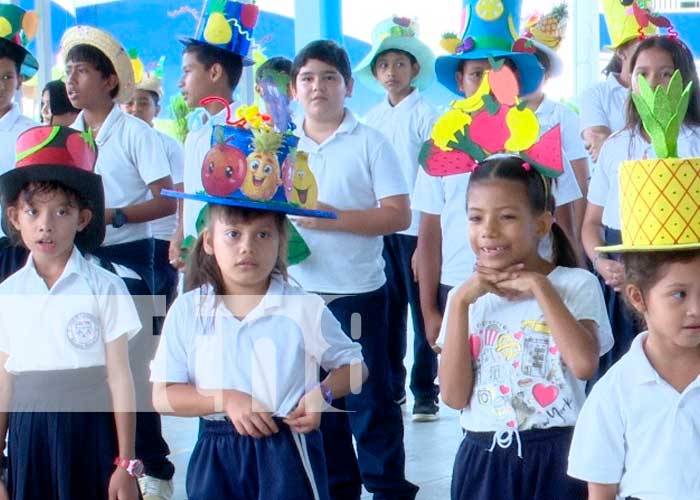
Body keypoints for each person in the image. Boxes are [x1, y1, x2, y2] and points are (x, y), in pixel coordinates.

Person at [150, 123, 366, 500]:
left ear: (282, 242)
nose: (247, 247)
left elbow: (355, 365)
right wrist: (226, 399)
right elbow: (164, 395)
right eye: (233, 234)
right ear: (210, 242)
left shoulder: (302, 305)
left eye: (263, 235)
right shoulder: (188, 309)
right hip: (216, 452)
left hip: (285, 449)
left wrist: (322, 395)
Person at [437, 155, 613, 500]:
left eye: (507, 217)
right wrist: (458, 304)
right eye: (476, 217)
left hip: (559, 455)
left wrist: (539, 287)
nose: (488, 230)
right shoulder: (465, 299)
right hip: (483, 458)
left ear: (542, 224)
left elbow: (584, 364)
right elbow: (454, 396)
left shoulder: (576, 284)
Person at [290, 39, 418, 499]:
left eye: (328, 78)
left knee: (369, 399)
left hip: (358, 293)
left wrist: (331, 217)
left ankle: (387, 488)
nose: (317, 87)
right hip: (299, 297)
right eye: (307, 78)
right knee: (318, 401)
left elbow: (398, 216)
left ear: (346, 87)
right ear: (294, 88)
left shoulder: (370, 142)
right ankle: (336, 488)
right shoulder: (282, 145)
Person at [60, 25, 177, 498]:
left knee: (133, 365)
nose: (72, 81)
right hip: (81, 258)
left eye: (82, 71)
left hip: (133, 258)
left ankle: (155, 466)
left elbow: (166, 199)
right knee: (90, 362)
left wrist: (115, 215)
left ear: (109, 81)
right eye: (68, 71)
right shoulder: (67, 135)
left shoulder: (135, 134)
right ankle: (105, 459)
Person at [0, 126, 142, 500]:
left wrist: (125, 463)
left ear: (82, 219)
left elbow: (121, 378)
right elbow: (3, 382)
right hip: (29, 433)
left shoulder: (105, 286)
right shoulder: (9, 293)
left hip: (90, 431)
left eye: (61, 211)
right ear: (15, 217)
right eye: (33, 211)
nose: (46, 224)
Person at [568, 136, 700, 499]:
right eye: (679, 294)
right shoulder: (615, 392)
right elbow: (601, 492)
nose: (697, 309)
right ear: (638, 297)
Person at [413, 0, 546, 358]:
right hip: (459, 285)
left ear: (515, 78)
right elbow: (428, 234)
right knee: (463, 396)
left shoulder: (538, 136)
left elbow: (559, 220)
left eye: (498, 71)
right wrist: (429, 310)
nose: (488, 82)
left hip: (531, 283)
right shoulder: (441, 143)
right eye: (476, 73)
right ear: (460, 80)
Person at [582, 35, 700, 376]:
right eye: (643, 74)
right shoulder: (616, 147)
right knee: (629, 369)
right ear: (629, 81)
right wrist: (602, 262)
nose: (654, 84)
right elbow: (591, 224)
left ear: (685, 80)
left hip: (687, 276)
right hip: (626, 270)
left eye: (666, 74)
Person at [354, 16, 440, 420]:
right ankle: (392, 385)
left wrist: (427, 236)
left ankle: (425, 389)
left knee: (423, 308)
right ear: (375, 73)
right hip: (382, 225)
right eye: (384, 65)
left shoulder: (428, 115)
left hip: (417, 225)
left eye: (399, 64)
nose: (392, 72)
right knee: (387, 310)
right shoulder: (370, 120)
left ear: (414, 69)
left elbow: (432, 172)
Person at [171, 0, 255, 271]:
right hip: (197, 254)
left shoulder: (246, 131)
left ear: (215, 72)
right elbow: (190, 193)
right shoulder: (196, 133)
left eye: (187, 71)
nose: (180, 82)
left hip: (229, 259)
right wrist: (181, 233)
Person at [522, 4, 589, 254]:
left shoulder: (563, 116)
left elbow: (580, 180)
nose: (525, 77)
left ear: (546, 74)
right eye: (519, 68)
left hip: (554, 230)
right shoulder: (501, 119)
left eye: (534, 69)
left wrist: (577, 239)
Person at [122, 61, 185, 311]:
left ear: (156, 109)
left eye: (144, 103)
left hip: (160, 240)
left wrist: (178, 236)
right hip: (127, 240)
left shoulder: (169, 145)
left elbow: (179, 194)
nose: (135, 109)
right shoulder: (115, 140)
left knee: (157, 315)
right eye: (130, 102)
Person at [578, 0, 656, 162]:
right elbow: (600, 144)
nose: (648, 54)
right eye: (641, 46)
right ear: (621, 52)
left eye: (653, 46)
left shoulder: (662, 90)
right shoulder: (596, 94)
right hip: (612, 185)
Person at [0, 5, 39, 282]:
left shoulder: (33, 135)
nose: (1, 86)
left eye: (7, 77)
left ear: (19, 80)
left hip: (15, 247)